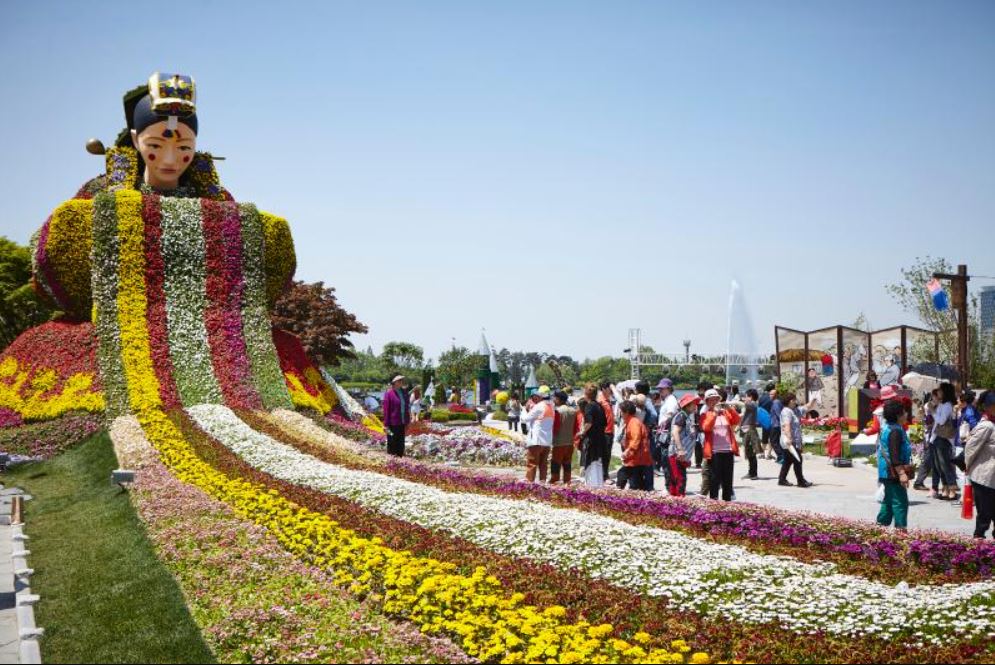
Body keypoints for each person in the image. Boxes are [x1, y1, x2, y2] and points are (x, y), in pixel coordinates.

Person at [876, 400, 913, 530]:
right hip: (893, 472)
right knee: (900, 502)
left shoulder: (887, 427)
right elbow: (895, 455)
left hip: (886, 471)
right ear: (898, 415)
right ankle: (901, 530)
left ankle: (880, 527)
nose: (906, 414)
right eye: (904, 412)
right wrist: (902, 474)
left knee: (889, 500)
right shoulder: (895, 431)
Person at [700, 389, 741, 501]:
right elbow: (706, 428)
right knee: (714, 480)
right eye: (711, 400)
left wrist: (730, 409)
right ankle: (714, 503)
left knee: (728, 480)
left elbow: (737, 420)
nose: (714, 402)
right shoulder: (705, 414)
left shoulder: (725, 413)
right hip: (714, 451)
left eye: (716, 399)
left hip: (728, 450)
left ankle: (727, 504)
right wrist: (714, 414)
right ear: (707, 402)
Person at [965, 391, 995, 539]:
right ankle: (978, 547)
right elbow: (970, 448)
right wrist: (967, 467)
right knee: (984, 515)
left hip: (992, 478)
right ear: (988, 407)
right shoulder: (987, 426)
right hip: (984, 477)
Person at [929, 382, 959, 501]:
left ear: (945, 391)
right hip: (936, 437)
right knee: (938, 465)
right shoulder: (941, 404)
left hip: (944, 438)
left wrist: (933, 411)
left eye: (940, 390)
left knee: (945, 464)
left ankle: (952, 489)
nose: (938, 392)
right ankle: (945, 488)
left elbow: (941, 421)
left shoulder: (947, 405)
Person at [667, 394, 701, 496]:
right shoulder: (681, 416)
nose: (695, 406)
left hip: (681, 456)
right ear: (686, 405)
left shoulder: (686, 417)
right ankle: (679, 504)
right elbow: (675, 432)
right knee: (679, 480)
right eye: (693, 404)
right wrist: (680, 449)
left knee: (677, 479)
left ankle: (675, 504)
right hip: (677, 454)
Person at [778, 393, 813, 487]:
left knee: (788, 461)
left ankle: (782, 479)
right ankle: (801, 481)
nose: (796, 401)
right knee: (798, 460)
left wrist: (814, 399)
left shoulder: (795, 410)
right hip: (790, 441)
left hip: (794, 440)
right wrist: (789, 438)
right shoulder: (786, 411)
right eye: (795, 399)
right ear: (791, 401)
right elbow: (786, 425)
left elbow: (806, 407)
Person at [577, 384, 608, 488]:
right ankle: (599, 485)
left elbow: (589, 423)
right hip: (600, 438)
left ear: (586, 394)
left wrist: (582, 432)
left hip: (591, 439)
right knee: (598, 463)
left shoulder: (589, 406)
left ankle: (592, 486)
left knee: (590, 463)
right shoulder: (599, 406)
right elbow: (604, 422)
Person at [619, 400, 654, 491]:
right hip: (637, 457)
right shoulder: (631, 421)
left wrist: (627, 451)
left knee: (624, 476)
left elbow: (636, 439)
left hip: (637, 457)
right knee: (636, 481)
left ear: (626, 412)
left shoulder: (634, 422)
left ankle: (618, 494)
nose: (620, 414)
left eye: (621, 412)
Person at [521, 387, 554, 482]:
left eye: (536, 396)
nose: (534, 399)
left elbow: (525, 419)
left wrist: (524, 409)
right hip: (547, 441)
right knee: (543, 464)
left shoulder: (539, 406)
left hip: (536, 440)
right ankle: (542, 483)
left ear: (540, 396)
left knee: (532, 463)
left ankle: (529, 484)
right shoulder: (551, 405)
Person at [551, 391, 579, 484]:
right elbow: (576, 427)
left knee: (556, 463)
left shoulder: (558, 411)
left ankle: (554, 482)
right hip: (570, 442)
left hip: (559, 442)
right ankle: (567, 482)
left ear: (558, 399)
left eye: (554, 398)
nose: (553, 400)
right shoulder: (573, 411)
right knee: (567, 463)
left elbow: (555, 427)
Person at [382, 375, 411, 456]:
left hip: (402, 422)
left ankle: (400, 460)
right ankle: (391, 461)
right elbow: (386, 410)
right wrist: (386, 425)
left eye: (402, 380)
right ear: (394, 383)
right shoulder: (389, 393)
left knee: (401, 443)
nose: (401, 382)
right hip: (392, 424)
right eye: (399, 381)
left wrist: (407, 422)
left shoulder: (404, 393)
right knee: (392, 442)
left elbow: (407, 408)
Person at [740, 389, 762, 480]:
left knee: (751, 452)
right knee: (749, 452)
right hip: (747, 429)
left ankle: (753, 473)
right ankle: (751, 472)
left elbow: (741, 404)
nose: (745, 398)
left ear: (751, 397)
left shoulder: (752, 404)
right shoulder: (752, 405)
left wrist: (730, 402)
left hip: (750, 430)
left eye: (746, 396)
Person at [598, 381, 616, 482]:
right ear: (604, 389)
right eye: (610, 388)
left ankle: (605, 475)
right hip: (605, 432)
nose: (611, 391)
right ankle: (604, 476)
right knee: (604, 455)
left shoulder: (608, 400)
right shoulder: (601, 401)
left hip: (610, 430)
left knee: (607, 454)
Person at [768, 387, 785, 464]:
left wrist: (783, 424)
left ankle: (781, 456)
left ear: (776, 395)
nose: (770, 395)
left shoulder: (776, 402)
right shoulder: (777, 402)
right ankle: (780, 457)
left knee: (773, 441)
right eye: (770, 394)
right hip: (776, 424)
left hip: (775, 425)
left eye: (772, 394)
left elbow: (779, 414)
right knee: (777, 441)